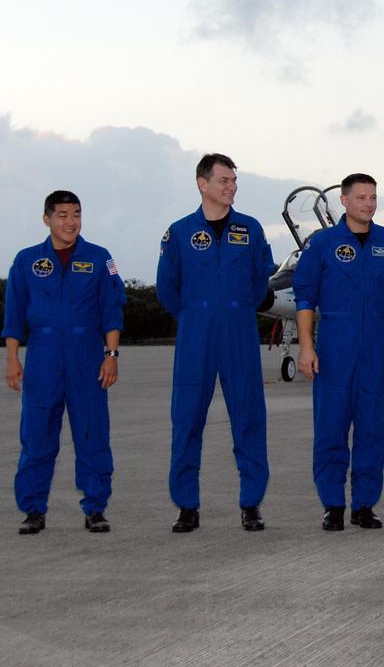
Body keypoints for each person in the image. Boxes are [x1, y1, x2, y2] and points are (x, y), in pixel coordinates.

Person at [157, 153, 275, 533]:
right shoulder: (178, 232)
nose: (232, 187)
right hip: (196, 335)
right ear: (202, 183)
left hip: (239, 333)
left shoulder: (251, 230)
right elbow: (167, 288)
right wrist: (196, 315)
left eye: (234, 180)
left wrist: (236, 309)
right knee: (187, 419)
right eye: (224, 180)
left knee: (249, 418)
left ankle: (251, 503)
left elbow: (262, 282)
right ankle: (187, 506)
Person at [2, 190, 125, 534]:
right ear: (47, 219)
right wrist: (13, 360)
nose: (71, 222)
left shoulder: (101, 259)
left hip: (87, 357)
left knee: (92, 434)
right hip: (42, 358)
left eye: (76, 214)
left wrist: (111, 356)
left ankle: (95, 508)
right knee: (37, 436)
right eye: (62, 215)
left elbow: (112, 311)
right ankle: (33, 510)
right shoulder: (26, 261)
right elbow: (13, 316)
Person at [294, 173, 384, 531]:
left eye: (373, 197)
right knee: (330, 428)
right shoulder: (322, 243)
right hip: (334, 346)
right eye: (361, 197)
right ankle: (333, 505)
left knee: (374, 428)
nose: (368, 204)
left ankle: (364, 504)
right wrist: (306, 346)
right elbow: (304, 298)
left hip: (377, 345)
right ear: (343, 201)